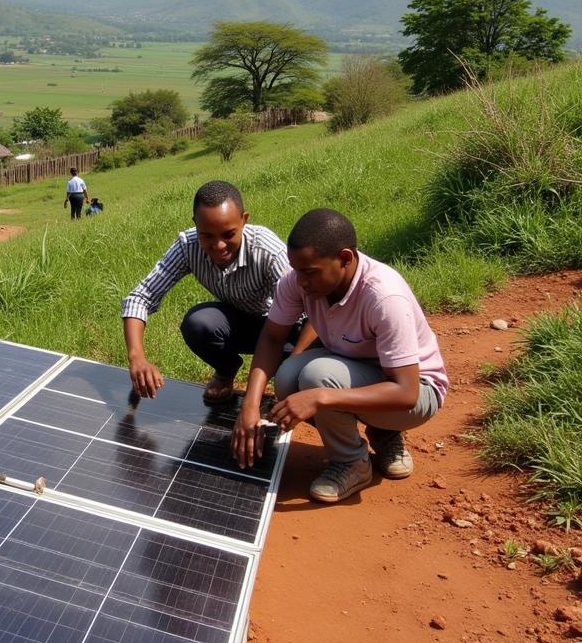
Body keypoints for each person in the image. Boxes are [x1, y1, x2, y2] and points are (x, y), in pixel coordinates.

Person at [232, 208, 448, 504]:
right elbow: (271, 337)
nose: (301, 282)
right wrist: (250, 404)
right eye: (296, 270)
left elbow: (407, 392)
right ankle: (373, 437)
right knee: (288, 377)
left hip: (417, 393)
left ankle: (354, 462)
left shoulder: (384, 297)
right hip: (360, 372)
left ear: (344, 259)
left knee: (317, 378)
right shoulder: (298, 280)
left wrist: (321, 397)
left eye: (309, 272)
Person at [123, 180, 309, 405]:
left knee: (297, 378)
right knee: (199, 324)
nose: (219, 245)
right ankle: (226, 371)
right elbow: (140, 297)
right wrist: (137, 357)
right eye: (207, 236)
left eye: (228, 234)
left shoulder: (267, 250)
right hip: (244, 324)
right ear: (195, 224)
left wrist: (292, 365)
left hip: (287, 329)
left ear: (244, 220)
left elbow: (312, 309)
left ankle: (288, 372)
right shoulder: (188, 246)